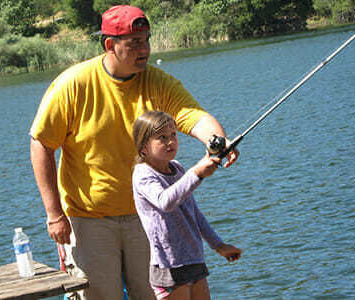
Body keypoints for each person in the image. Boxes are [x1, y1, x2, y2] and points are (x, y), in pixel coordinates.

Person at [29, 4, 239, 300]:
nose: (145, 50)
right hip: (89, 219)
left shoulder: (156, 81)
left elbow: (191, 115)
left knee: (153, 295)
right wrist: (54, 214)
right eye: (135, 43)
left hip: (147, 217)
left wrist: (217, 140)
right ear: (110, 45)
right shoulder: (72, 85)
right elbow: (41, 144)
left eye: (147, 40)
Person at [132, 111, 242, 300]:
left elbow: (194, 214)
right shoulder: (143, 174)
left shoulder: (178, 168)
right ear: (143, 148)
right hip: (170, 266)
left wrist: (218, 245)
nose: (170, 142)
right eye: (162, 138)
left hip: (194, 258)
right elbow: (165, 201)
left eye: (174, 135)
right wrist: (197, 172)